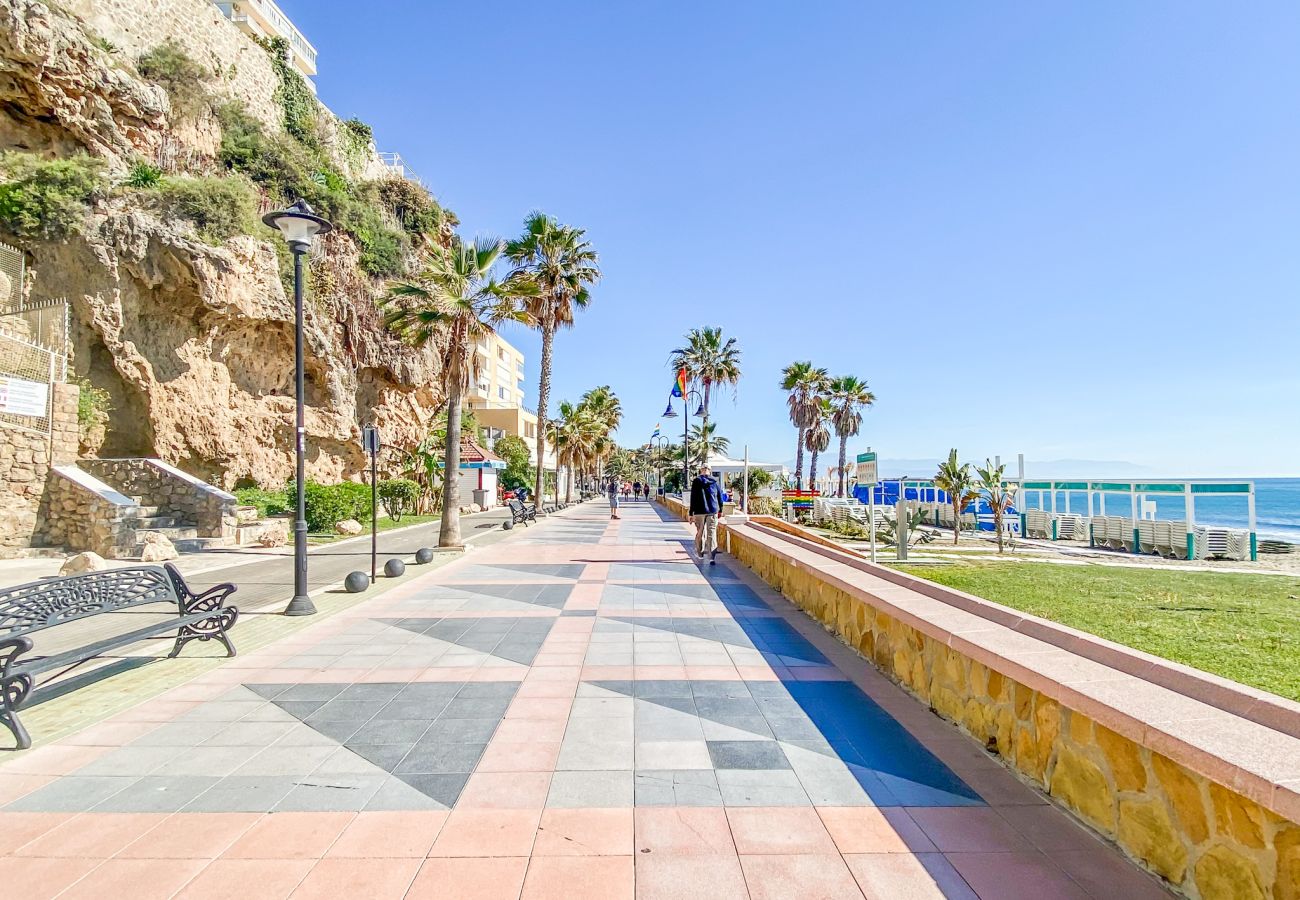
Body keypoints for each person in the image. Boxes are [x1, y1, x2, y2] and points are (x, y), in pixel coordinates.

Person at [688, 464, 724, 565]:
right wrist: (720, 509)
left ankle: (700, 554)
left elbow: (693, 497)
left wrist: (691, 513)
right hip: (712, 510)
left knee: (700, 532)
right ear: (710, 471)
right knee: (711, 533)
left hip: (699, 510)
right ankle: (712, 557)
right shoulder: (715, 481)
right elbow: (719, 496)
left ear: (701, 470)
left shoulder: (696, 481)